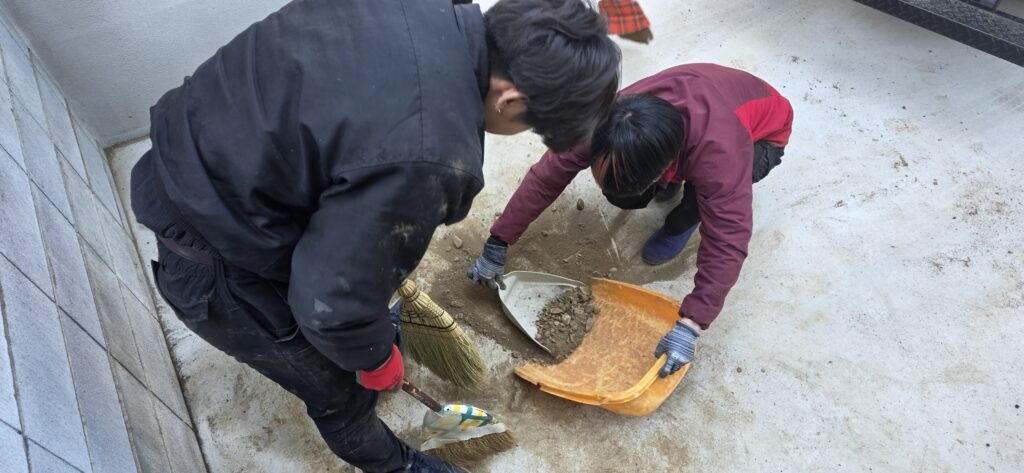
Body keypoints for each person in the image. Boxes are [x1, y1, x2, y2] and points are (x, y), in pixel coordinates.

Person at [130, 0, 620, 471]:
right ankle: (394, 465)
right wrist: (374, 358)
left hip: (198, 149)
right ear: (510, 100)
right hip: (210, 250)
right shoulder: (432, 155)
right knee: (339, 393)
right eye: (532, 128)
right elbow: (328, 305)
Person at [469, 64, 793, 378]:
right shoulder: (606, 121)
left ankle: (679, 224)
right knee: (623, 195)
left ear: (665, 165)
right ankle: (670, 185)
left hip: (763, 137)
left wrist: (692, 323)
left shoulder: (720, 156)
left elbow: (728, 239)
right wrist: (499, 241)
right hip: (697, 114)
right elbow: (547, 176)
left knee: (700, 199)